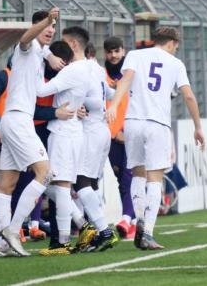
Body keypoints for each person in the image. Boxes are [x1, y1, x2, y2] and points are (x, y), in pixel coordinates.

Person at [107, 27, 205, 250]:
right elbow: (188, 95)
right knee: (155, 178)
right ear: (171, 43)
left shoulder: (134, 55)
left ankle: (139, 218)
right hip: (157, 124)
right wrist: (198, 126)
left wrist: (113, 105)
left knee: (137, 174)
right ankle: (147, 232)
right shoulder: (175, 63)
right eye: (176, 47)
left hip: (132, 122)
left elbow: (126, 79)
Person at [0, 7, 60, 258]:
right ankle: (11, 230)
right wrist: (45, 21)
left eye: (53, 27)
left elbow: (41, 91)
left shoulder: (40, 54)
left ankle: (2, 247)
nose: (50, 30)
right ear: (37, 26)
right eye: (47, 26)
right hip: (19, 121)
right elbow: (24, 38)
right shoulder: (27, 47)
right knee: (45, 174)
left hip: (15, 120)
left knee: (7, 185)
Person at [36, 27, 95, 255]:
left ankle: (61, 242)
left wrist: (41, 58)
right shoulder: (84, 69)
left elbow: (41, 91)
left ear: (72, 45)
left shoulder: (72, 71)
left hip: (63, 132)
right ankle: (82, 224)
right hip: (73, 132)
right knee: (57, 185)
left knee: (59, 186)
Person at [75, 40, 119, 253]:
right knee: (91, 184)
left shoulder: (86, 69)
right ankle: (95, 231)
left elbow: (90, 99)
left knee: (80, 181)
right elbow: (110, 94)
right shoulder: (100, 70)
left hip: (91, 130)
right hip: (102, 130)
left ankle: (103, 230)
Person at [104, 36, 136, 239]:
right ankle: (132, 220)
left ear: (123, 51)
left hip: (130, 132)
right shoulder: (102, 74)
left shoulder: (131, 73)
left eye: (117, 51)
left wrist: (127, 129)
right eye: (110, 52)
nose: (114, 55)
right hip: (110, 135)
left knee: (128, 178)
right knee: (120, 179)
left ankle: (126, 218)